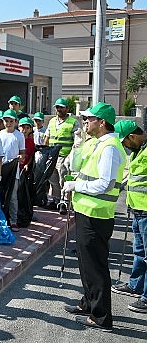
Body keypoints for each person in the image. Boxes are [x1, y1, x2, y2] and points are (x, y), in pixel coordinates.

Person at [62, 102, 126, 332]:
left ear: (102, 122)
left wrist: (75, 185)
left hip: (97, 214)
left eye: (89, 119)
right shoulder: (97, 143)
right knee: (85, 264)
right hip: (86, 211)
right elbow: (78, 164)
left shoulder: (109, 146)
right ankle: (88, 303)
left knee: (95, 267)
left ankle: (101, 317)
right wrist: (78, 145)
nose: (85, 122)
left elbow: (104, 183)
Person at [111, 120, 147, 314]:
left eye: (124, 143)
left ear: (132, 136)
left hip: (146, 211)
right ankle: (136, 285)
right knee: (139, 251)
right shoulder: (138, 150)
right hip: (137, 209)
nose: (124, 147)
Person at [44, 98, 81, 210]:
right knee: (52, 179)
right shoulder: (52, 121)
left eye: (61, 107)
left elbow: (77, 141)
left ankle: (64, 202)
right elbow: (47, 137)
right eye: (57, 107)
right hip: (52, 156)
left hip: (64, 156)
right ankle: (56, 201)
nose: (59, 109)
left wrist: (71, 156)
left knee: (63, 180)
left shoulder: (73, 122)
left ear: (67, 108)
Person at [0, 109, 26, 231]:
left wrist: (20, 158)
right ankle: (0, 219)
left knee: (13, 196)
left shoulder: (19, 136)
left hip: (13, 172)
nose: (8, 123)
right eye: (6, 120)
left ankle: (13, 220)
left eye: (11, 121)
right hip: (0, 169)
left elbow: (23, 153)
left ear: (15, 122)